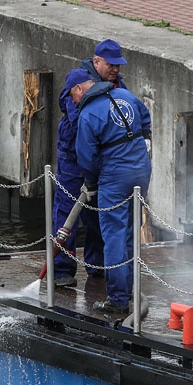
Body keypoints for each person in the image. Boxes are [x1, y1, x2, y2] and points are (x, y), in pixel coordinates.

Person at [70, 43, 152, 315]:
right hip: (141, 169)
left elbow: (86, 157)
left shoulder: (89, 113)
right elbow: (146, 122)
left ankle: (117, 298)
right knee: (130, 230)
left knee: (114, 234)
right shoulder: (128, 97)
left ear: (83, 91)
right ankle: (127, 287)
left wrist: (92, 182)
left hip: (114, 176)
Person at [51, 69, 105, 287]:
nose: (115, 70)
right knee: (66, 215)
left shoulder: (109, 88)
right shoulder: (76, 95)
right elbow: (82, 125)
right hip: (73, 164)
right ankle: (61, 268)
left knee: (98, 214)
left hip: (94, 162)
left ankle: (98, 264)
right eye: (111, 65)